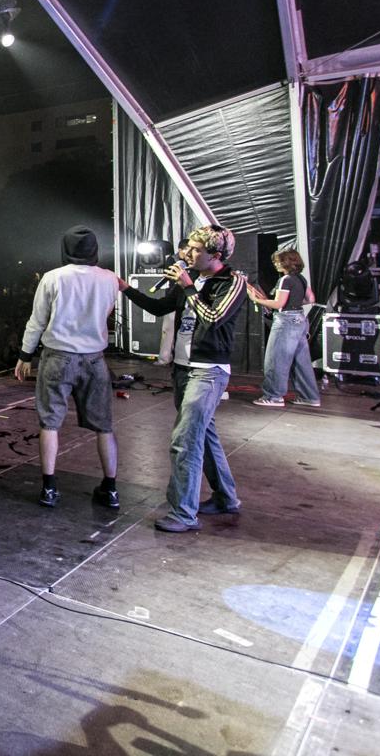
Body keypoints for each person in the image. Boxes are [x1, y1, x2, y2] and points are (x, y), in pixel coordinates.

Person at [120, 225, 248, 532]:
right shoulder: (190, 277)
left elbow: (214, 319)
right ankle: (226, 498)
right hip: (182, 368)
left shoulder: (232, 281)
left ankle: (183, 513)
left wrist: (189, 288)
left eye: (195, 249)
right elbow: (159, 307)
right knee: (204, 435)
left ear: (215, 255)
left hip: (208, 370)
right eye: (187, 247)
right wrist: (126, 289)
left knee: (185, 440)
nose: (186, 253)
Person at [13, 226, 122, 509]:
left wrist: (25, 356)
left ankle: (49, 488)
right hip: (95, 358)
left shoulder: (52, 277)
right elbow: (107, 311)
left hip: (58, 356)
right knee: (104, 426)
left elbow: (37, 320)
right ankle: (111, 489)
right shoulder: (110, 278)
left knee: (50, 423)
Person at [247, 249, 322, 407]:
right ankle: (310, 397)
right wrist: (294, 303)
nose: (275, 264)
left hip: (286, 322)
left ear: (287, 262)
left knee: (276, 359)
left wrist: (256, 299)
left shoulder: (285, 280)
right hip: (300, 320)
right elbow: (311, 298)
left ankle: (273, 396)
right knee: (301, 362)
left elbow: (278, 304)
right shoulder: (301, 278)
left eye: (278, 261)